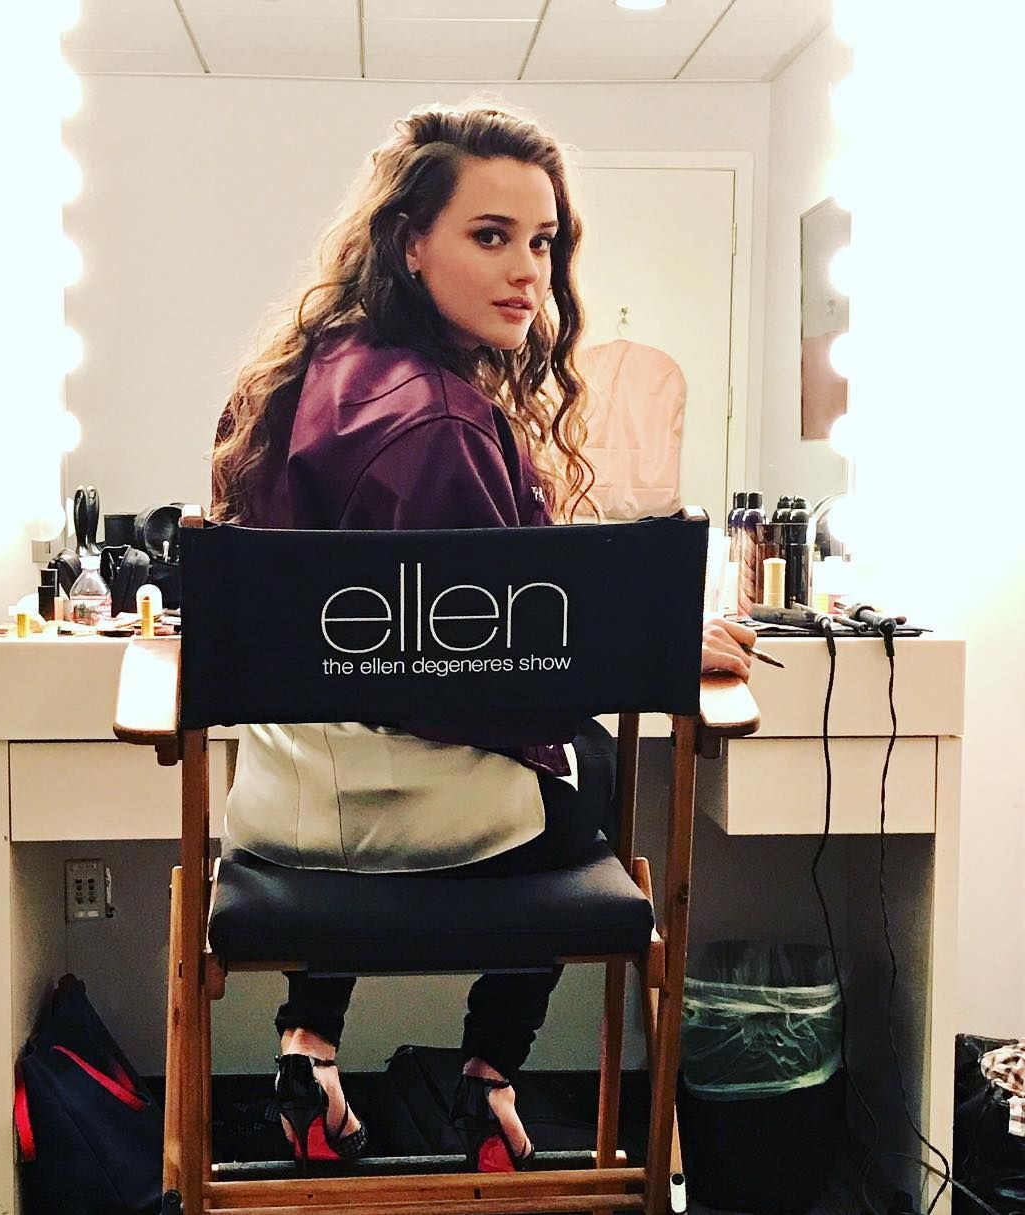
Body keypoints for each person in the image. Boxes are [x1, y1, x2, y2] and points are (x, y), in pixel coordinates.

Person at [210, 99, 756, 1174]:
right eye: (491, 236)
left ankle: (309, 1051)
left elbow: (394, 641)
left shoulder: (309, 371)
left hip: (280, 788)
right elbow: (499, 670)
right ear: (411, 242)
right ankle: (490, 1074)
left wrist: (618, 627)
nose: (527, 273)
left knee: (529, 741)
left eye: (542, 242)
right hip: (390, 801)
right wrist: (646, 647)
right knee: (589, 764)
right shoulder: (441, 423)